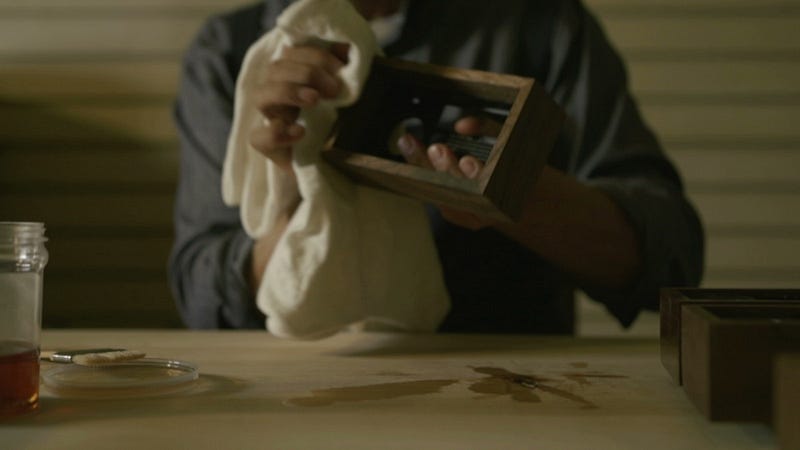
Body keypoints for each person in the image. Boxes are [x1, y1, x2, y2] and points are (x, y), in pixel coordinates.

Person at [169, 0, 704, 333]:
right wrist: (296, 188)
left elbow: (669, 260)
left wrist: (516, 189)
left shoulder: (544, 25)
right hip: (289, 405)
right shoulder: (230, 53)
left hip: (513, 398)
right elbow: (201, 298)